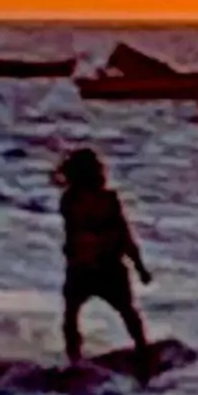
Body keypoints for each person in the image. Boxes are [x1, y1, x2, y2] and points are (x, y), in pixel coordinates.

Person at [53, 147, 153, 381]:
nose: (103, 171)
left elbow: (124, 234)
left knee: (128, 313)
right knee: (71, 316)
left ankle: (143, 355)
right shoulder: (71, 201)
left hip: (108, 266)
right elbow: (79, 231)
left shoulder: (108, 200)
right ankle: (74, 360)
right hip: (83, 267)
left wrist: (139, 267)